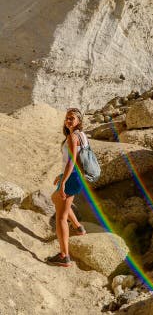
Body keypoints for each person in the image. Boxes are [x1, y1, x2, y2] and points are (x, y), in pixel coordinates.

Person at [46, 107, 88, 267]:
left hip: (72, 178)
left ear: (79, 121)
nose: (68, 120)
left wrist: (64, 181)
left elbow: (72, 161)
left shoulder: (73, 137)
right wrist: (62, 175)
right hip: (76, 177)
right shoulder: (82, 136)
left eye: (72, 118)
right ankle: (79, 227)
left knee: (61, 218)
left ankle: (64, 256)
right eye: (67, 118)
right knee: (56, 199)